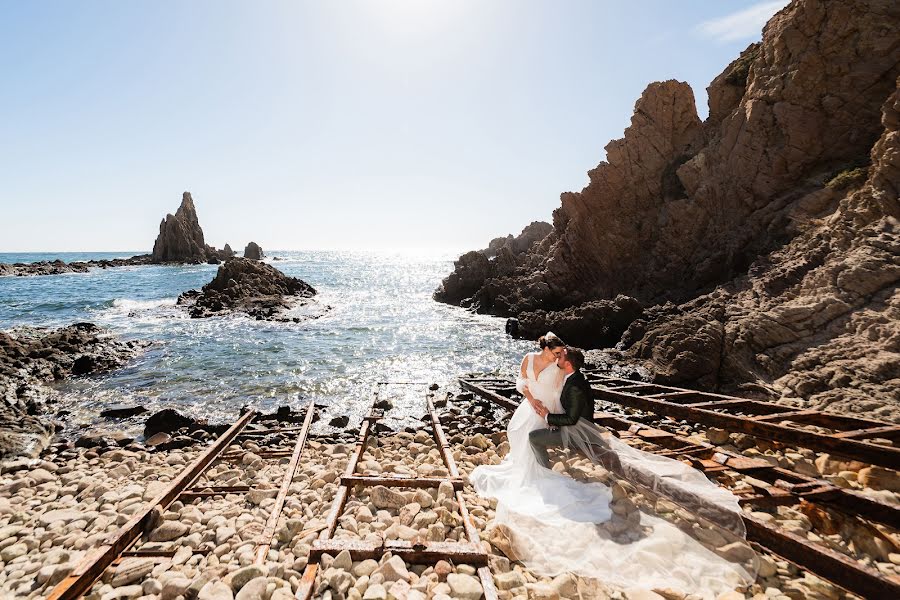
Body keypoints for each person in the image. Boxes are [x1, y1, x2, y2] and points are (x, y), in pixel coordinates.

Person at [470, 337, 758, 599]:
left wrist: (548, 414)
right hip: (540, 411)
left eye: (562, 354)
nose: (559, 356)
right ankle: (538, 470)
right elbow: (524, 382)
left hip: (562, 421)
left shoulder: (569, 378)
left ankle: (543, 474)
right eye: (556, 352)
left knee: (535, 439)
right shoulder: (548, 365)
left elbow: (568, 413)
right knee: (523, 438)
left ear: (565, 361)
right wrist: (533, 400)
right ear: (548, 350)